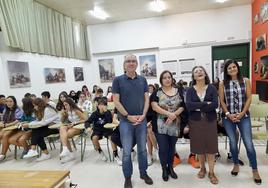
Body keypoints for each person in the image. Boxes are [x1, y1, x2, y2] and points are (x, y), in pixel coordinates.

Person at [112, 54, 153, 188]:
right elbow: (116, 101)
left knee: (142, 150)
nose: (131, 63)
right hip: (125, 122)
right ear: (124, 64)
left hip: (141, 120)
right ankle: (128, 177)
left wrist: (143, 115)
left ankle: (143, 172)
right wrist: (128, 116)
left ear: (137, 64)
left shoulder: (142, 80)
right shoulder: (118, 80)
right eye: (128, 61)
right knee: (126, 151)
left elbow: (147, 99)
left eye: (133, 61)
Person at [219, 59, 262, 184]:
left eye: (234, 67)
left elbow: (249, 98)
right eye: (229, 68)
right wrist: (228, 114)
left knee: (249, 143)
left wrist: (242, 113)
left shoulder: (246, 80)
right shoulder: (222, 83)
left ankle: (254, 169)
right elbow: (221, 101)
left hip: (244, 116)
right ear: (226, 71)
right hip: (228, 118)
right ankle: (236, 164)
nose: (232, 69)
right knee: (233, 142)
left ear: (237, 67)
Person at [186, 66, 219, 184]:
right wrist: (205, 103)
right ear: (193, 76)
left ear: (205, 74)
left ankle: (211, 172)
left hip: (210, 121)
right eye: (196, 71)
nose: (199, 72)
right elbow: (189, 106)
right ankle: (202, 168)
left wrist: (198, 105)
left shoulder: (212, 88)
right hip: (195, 121)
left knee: (211, 147)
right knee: (199, 147)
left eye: (201, 70)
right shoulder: (190, 90)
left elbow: (215, 104)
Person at [150, 70, 185, 181]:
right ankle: (164, 169)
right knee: (163, 148)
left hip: (175, 124)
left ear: (172, 78)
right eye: (164, 77)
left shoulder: (179, 90)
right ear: (161, 80)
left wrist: (174, 115)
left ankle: (171, 167)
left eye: (169, 77)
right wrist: (169, 114)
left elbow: (183, 106)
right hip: (160, 125)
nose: (167, 79)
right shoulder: (157, 92)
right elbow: (154, 107)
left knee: (171, 148)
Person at [84, 97, 115, 161]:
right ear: (97, 106)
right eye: (100, 105)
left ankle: (115, 154)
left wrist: (106, 112)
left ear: (106, 106)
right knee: (94, 138)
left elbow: (110, 121)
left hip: (107, 129)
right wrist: (88, 127)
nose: (102, 107)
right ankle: (100, 152)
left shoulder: (108, 112)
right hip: (97, 130)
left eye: (103, 105)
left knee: (112, 137)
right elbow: (87, 122)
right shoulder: (95, 113)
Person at [59, 98, 87, 163]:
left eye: (66, 105)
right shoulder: (67, 111)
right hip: (71, 126)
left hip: (79, 127)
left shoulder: (76, 110)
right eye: (64, 105)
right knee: (62, 128)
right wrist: (63, 115)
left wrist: (74, 123)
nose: (65, 107)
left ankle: (70, 153)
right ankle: (65, 149)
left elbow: (85, 119)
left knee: (65, 135)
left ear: (70, 104)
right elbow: (62, 121)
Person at [0, 96, 23, 161]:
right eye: (7, 101)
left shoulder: (18, 109)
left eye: (11, 101)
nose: (8, 103)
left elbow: (18, 120)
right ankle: (2, 154)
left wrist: (6, 125)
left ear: (14, 102)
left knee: (5, 136)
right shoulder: (5, 110)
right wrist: (2, 123)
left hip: (15, 127)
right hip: (7, 127)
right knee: (1, 135)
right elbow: (3, 120)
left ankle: (2, 155)